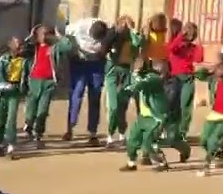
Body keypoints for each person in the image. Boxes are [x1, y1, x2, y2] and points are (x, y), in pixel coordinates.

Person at [121, 59, 188, 171]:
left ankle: (162, 163)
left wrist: (132, 83)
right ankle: (131, 163)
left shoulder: (153, 79)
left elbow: (141, 84)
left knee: (149, 142)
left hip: (155, 118)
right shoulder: (144, 77)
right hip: (143, 117)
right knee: (132, 140)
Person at [22, 25, 73, 144]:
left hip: (48, 82)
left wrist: (59, 36)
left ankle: (38, 133)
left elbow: (68, 46)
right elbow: (24, 47)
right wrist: (32, 34)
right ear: (37, 36)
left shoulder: (54, 48)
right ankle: (29, 124)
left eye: (46, 34)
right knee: (31, 108)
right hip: (34, 81)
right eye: (41, 34)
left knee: (43, 109)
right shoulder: (33, 48)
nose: (44, 36)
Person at [64, 18, 109, 145]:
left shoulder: (108, 30)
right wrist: (73, 50)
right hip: (79, 62)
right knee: (76, 93)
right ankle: (70, 128)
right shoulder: (79, 25)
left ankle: (93, 133)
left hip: (97, 63)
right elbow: (66, 37)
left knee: (95, 96)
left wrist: (104, 51)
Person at [103, 16, 142, 145]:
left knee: (123, 105)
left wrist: (132, 30)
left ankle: (121, 132)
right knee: (113, 106)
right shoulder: (113, 35)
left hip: (126, 72)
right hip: (113, 71)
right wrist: (117, 30)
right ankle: (110, 133)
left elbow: (138, 43)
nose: (125, 27)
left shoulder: (131, 37)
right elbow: (105, 44)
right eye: (123, 25)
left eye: (127, 25)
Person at [168, 22, 205, 143]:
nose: (189, 35)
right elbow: (171, 49)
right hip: (175, 78)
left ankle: (182, 132)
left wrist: (198, 42)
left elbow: (199, 58)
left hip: (188, 78)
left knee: (186, 106)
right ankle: (171, 130)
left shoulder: (193, 48)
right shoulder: (177, 45)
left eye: (192, 33)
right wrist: (181, 36)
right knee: (173, 105)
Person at [0, 37, 27, 158]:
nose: (20, 47)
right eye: (17, 45)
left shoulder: (24, 61)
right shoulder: (3, 60)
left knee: (11, 119)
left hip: (15, 92)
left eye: (20, 45)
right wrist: (6, 86)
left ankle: (11, 145)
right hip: (2, 92)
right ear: (10, 46)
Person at [198, 60, 223, 176]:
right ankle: (219, 153)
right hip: (214, 114)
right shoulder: (214, 81)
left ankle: (206, 165)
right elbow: (200, 75)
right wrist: (207, 69)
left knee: (213, 140)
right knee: (203, 140)